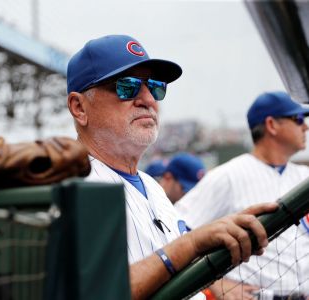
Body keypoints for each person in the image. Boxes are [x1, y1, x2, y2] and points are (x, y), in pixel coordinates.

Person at [66, 34, 277, 300]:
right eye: (127, 86)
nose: (148, 99)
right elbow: (98, 293)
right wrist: (191, 244)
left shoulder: (152, 187)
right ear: (79, 107)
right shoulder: (72, 186)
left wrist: (215, 277)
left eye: (154, 86)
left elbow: (168, 271)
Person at [175, 91, 309, 299]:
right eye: (298, 119)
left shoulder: (305, 176)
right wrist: (216, 283)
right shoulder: (227, 175)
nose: (305, 126)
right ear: (272, 125)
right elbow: (175, 232)